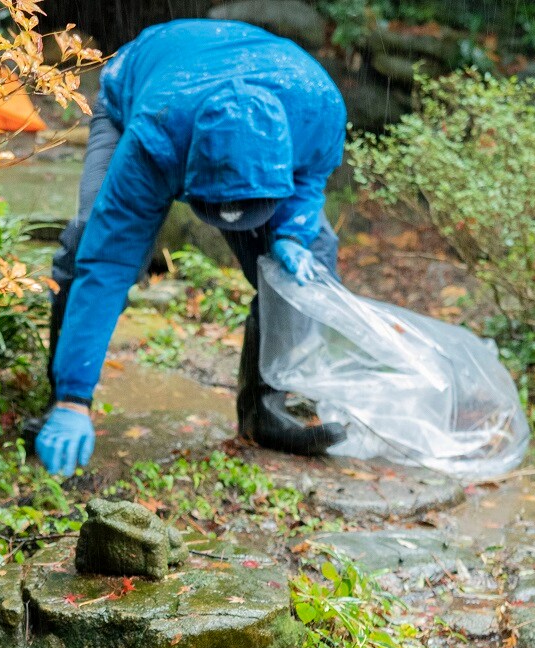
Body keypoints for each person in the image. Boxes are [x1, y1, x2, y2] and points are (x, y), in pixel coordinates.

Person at [35, 19, 350, 476]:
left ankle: (269, 410)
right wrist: (73, 397)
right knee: (89, 237)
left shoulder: (317, 109)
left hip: (262, 86)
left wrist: (292, 234)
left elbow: (309, 177)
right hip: (141, 92)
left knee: (314, 255)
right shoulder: (156, 136)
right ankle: (63, 402)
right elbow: (108, 260)